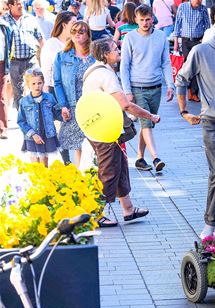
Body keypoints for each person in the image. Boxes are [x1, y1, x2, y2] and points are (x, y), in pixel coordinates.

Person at [176, 6, 215, 238]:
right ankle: (210, 223)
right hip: (211, 121)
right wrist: (183, 111)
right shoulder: (201, 52)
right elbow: (181, 79)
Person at [83, 37, 159, 227]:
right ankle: (95, 214)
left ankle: (128, 209)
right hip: (104, 130)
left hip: (98, 126)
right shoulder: (106, 75)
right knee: (108, 171)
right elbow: (125, 104)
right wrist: (150, 116)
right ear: (105, 55)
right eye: (114, 49)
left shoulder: (93, 70)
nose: (118, 51)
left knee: (120, 166)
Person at [120, 4, 174, 172]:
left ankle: (140, 158)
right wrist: (127, 91)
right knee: (146, 122)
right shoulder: (130, 38)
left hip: (156, 87)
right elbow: (124, 66)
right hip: (138, 87)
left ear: (152, 18)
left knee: (147, 124)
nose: (145, 23)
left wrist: (170, 84)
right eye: (141, 20)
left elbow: (166, 62)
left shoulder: (160, 37)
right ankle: (156, 158)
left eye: (148, 19)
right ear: (136, 19)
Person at [53, 20, 94, 168]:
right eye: (74, 31)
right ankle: (82, 177)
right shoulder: (61, 56)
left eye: (81, 32)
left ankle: (93, 175)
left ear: (88, 35)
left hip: (93, 104)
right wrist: (63, 106)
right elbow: (57, 83)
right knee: (78, 144)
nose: (77, 35)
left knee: (93, 142)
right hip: (73, 104)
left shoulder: (95, 54)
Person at [40, 10, 75, 163]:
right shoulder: (51, 44)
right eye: (73, 23)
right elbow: (46, 69)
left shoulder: (74, 42)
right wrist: (46, 91)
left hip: (73, 88)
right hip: (55, 88)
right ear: (64, 25)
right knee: (61, 125)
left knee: (71, 125)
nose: (76, 26)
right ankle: (66, 160)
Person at [3, 0, 44, 110]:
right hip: (14, 62)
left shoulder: (30, 18)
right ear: (10, 6)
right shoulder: (4, 20)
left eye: (21, 3)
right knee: (18, 93)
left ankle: (37, 115)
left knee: (37, 88)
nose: (21, 6)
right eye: (18, 4)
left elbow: (40, 38)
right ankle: (23, 119)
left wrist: (44, 56)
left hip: (32, 60)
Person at [17, 69, 62, 166]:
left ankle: (44, 181)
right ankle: (36, 182)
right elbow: (21, 121)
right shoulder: (24, 101)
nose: (37, 86)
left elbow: (56, 114)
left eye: (39, 83)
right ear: (28, 84)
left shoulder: (49, 97)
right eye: (33, 83)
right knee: (36, 167)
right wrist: (33, 134)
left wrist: (64, 116)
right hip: (32, 137)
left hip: (46, 136)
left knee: (44, 166)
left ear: (43, 83)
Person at [0, 14, 11, 139]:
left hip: (2, 64)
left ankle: (3, 128)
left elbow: (8, 47)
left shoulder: (4, 26)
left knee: (1, 96)